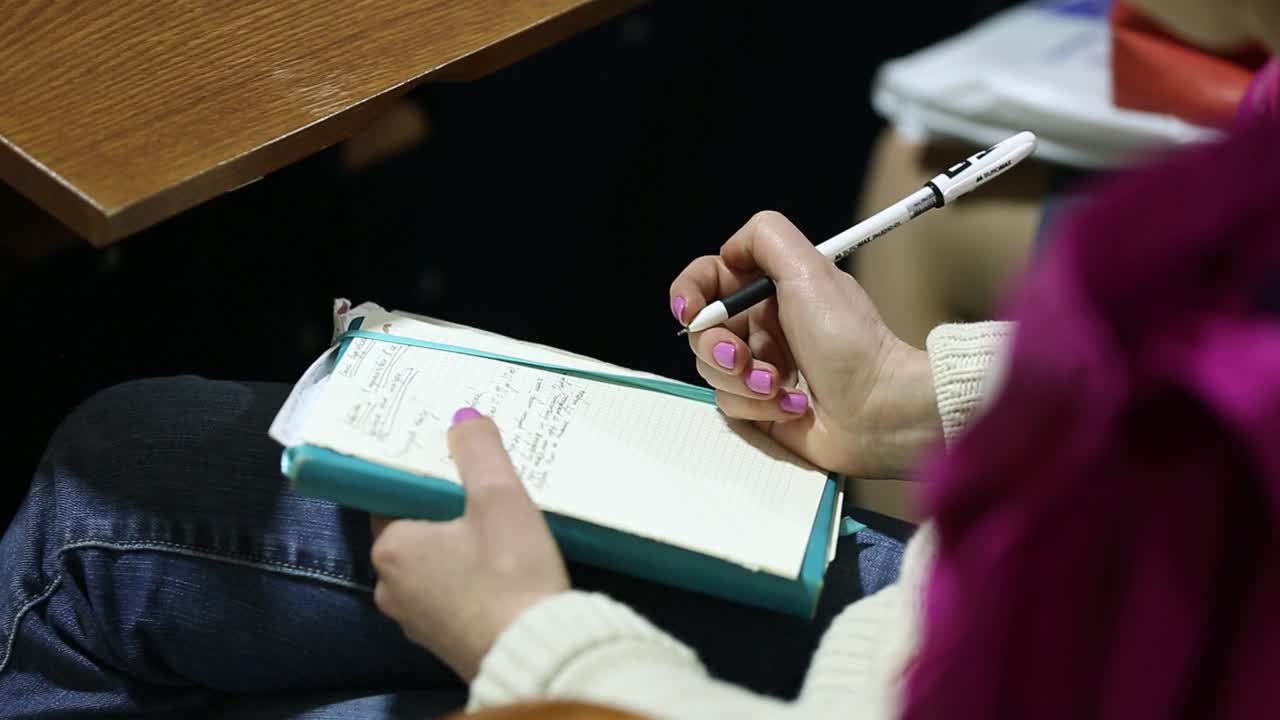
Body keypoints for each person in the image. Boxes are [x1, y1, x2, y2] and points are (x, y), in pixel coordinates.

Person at [2, 2, 1278, 719]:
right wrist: (906, 399)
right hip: (935, 622)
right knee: (120, 455)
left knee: (83, 537)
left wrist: (533, 638)